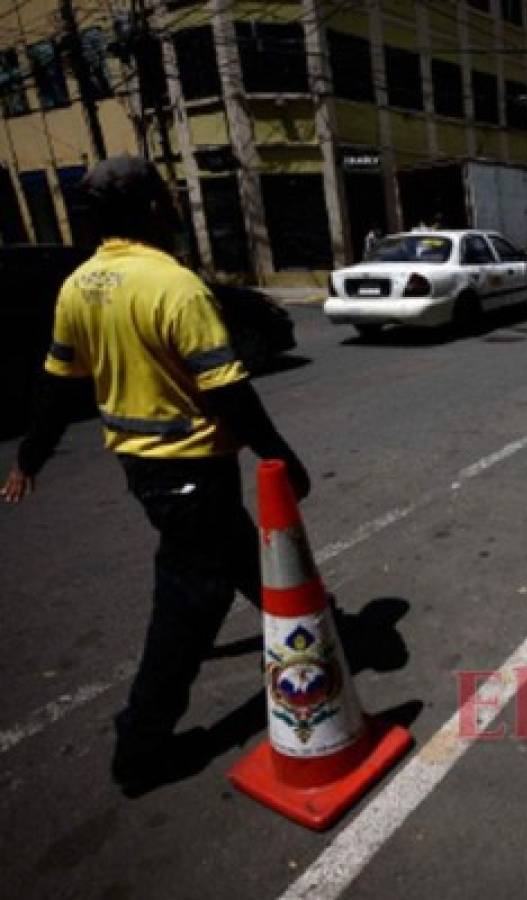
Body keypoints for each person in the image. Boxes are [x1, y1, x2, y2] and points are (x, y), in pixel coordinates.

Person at [1, 156, 310, 796]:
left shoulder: (79, 285)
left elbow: (56, 388)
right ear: (149, 210)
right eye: (166, 200)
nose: (173, 209)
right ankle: (140, 747)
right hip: (192, 469)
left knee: (236, 554)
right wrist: (279, 454)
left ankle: (319, 627)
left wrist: (30, 457)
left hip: (143, 472)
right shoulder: (175, 287)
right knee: (188, 607)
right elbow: (229, 392)